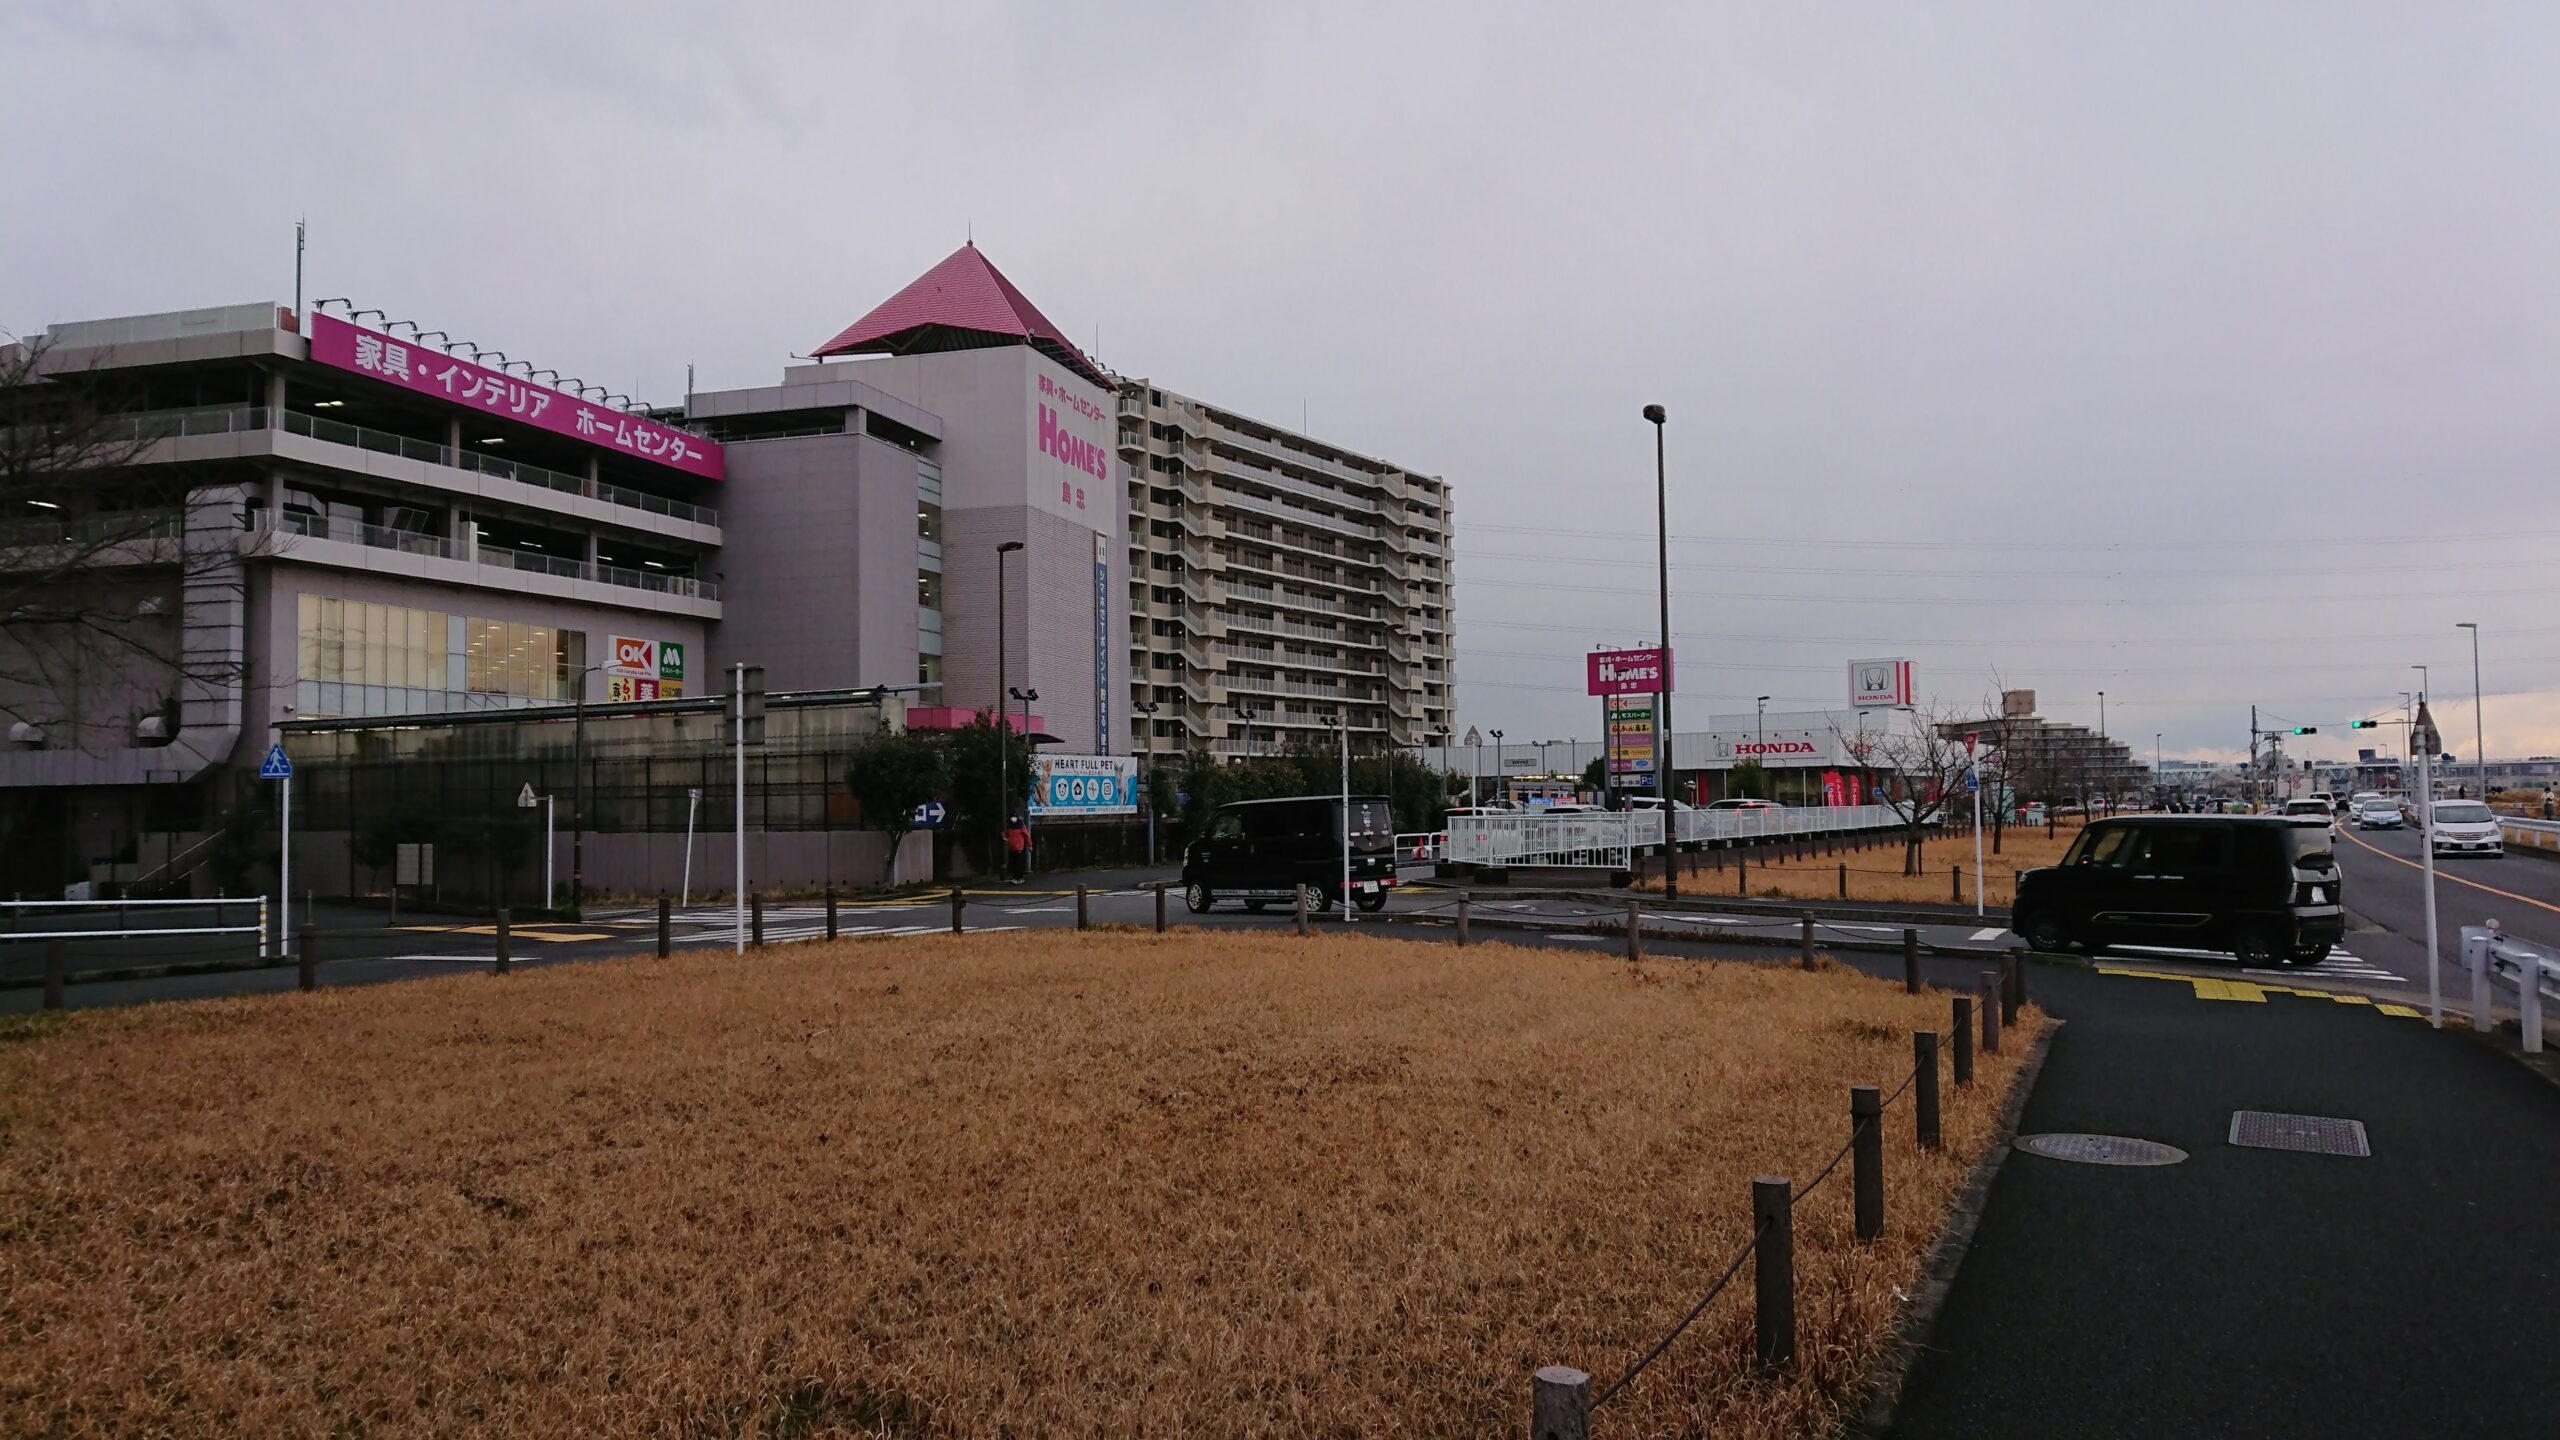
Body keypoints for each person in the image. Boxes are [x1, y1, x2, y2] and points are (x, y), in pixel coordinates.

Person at [1003, 816, 1030, 883]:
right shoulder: (1010, 826)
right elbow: (1004, 833)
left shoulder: (1021, 827)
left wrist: (1030, 845)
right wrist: (1004, 837)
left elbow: (1027, 836)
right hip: (1012, 848)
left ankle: (1017, 877)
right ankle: (1018, 877)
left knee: (1018, 863)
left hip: (1019, 847)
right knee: (1014, 863)